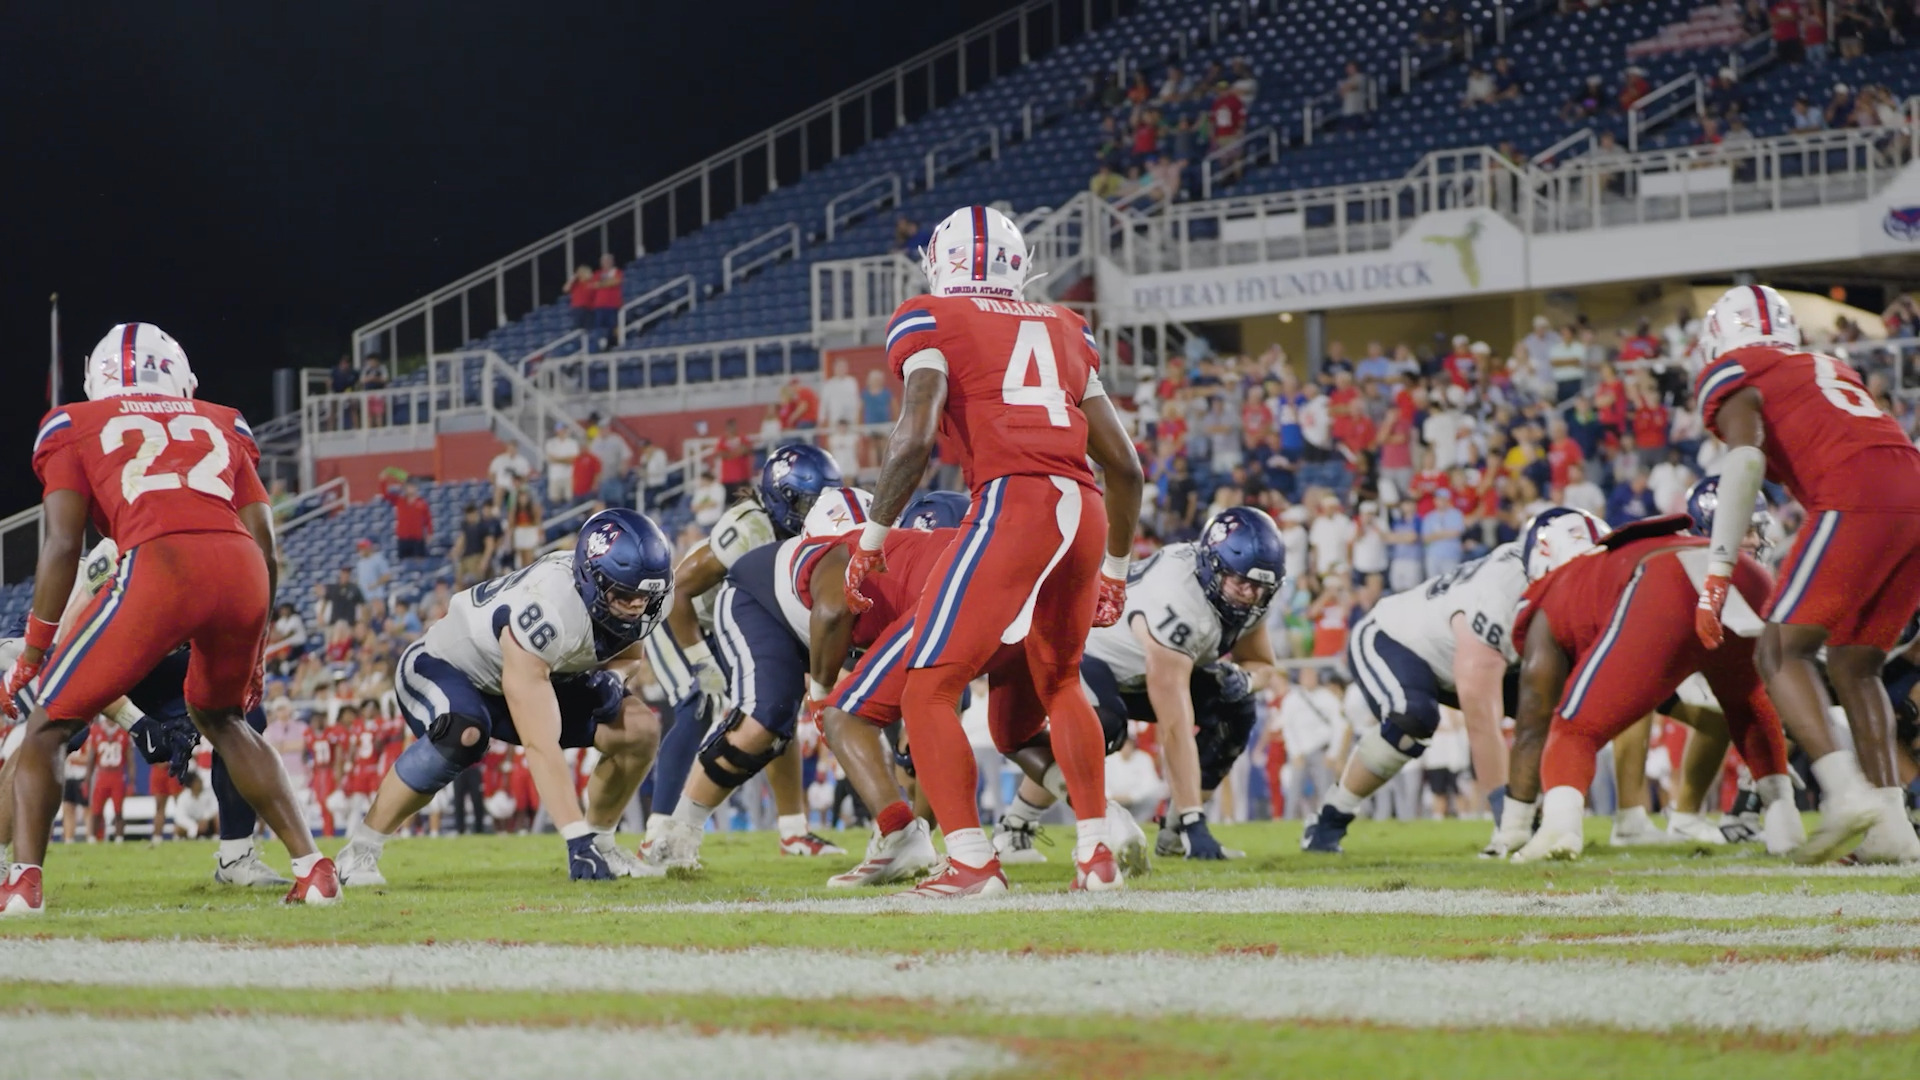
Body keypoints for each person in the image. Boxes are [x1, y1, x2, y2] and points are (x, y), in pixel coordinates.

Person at [842, 204, 1145, 897]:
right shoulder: (1066, 324)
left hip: (1014, 503)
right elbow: (1125, 466)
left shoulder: (929, 316)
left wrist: (874, 538)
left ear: (941, 263)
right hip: (1085, 509)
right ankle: (1096, 855)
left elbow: (915, 437)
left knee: (928, 687)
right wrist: (1118, 572)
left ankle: (974, 863)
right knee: (1061, 683)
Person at [1, 323, 334, 916]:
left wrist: (31, 653)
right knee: (225, 719)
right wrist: (256, 652)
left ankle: (23, 884)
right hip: (241, 567)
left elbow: (59, 548)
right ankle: (314, 869)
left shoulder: (73, 424)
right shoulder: (220, 419)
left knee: (48, 725)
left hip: (161, 563)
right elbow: (267, 543)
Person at [1691, 283, 1920, 863]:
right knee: (1855, 663)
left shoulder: (1737, 371)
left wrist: (1717, 574)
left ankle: (1844, 794)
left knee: (1779, 650)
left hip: (1855, 492)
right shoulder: (1825, 364)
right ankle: (1892, 828)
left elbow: (1745, 459)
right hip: (1911, 488)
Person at [333, 509, 672, 886]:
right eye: (624, 594)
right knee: (464, 732)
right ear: (591, 579)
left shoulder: (647, 593)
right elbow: (540, 744)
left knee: (639, 728)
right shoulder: (548, 608)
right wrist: (574, 838)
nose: (636, 606)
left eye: (645, 595)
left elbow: (629, 654)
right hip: (446, 666)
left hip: (532, 675)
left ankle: (604, 843)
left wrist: (614, 676)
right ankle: (361, 849)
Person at [1303, 508, 1606, 856]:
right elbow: (1482, 724)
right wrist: (1507, 820)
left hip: (1471, 653)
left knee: (1560, 709)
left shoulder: (1539, 582)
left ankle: (1575, 818)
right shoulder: (1496, 599)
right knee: (1413, 718)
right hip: (1394, 637)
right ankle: (1330, 819)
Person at [1500, 515, 1800, 862]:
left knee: (1571, 728)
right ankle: (1785, 825)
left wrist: (1513, 826)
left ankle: (1559, 829)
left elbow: (1535, 714)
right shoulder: (1614, 559)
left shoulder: (1555, 587)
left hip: (1663, 584)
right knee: (1747, 705)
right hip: (1741, 571)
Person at [993, 507, 1285, 864]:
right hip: (1091, 653)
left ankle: (1174, 829)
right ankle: (1015, 826)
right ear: (1213, 565)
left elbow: (1265, 667)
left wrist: (1246, 680)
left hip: (1142, 670)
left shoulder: (1246, 596)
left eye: (1261, 586)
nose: (1250, 594)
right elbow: (1174, 727)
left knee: (1235, 707)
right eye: (1242, 582)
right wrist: (1199, 821)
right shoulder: (1179, 600)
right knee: (1102, 728)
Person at [638, 445, 853, 866]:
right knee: (700, 703)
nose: (816, 512)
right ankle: (659, 833)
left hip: (738, 625)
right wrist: (700, 660)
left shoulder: (807, 532)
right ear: (782, 497)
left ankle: (793, 831)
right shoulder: (749, 527)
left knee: (778, 710)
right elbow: (677, 590)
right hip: (684, 620)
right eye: (808, 503)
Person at [380, 473, 433, 559]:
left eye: (413, 486)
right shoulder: (399, 501)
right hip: (403, 539)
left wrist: (430, 533)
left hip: (417, 539)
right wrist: (383, 481)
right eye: (409, 486)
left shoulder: (422, 503)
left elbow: (428, 520)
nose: (411, 488)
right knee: (404, 564)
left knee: (419, 562)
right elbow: (385, 495)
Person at [451, 504, 500, 588]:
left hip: (477, 557)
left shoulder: (483, 525)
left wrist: (484, 561)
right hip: (465, 557)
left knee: (476, 583)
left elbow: (489, 545)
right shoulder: (465, 525)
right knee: (459, 581)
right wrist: (455, 551)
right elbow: (462, 539)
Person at [591, 253, 623, 351]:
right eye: (604, 261)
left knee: (613, 326)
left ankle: (614, 344)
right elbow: (593, 285)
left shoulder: (616, 271)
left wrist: (601, 284)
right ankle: (601, 344)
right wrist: (607, 283)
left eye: (608, 261)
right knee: (599, 327)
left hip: (613, 304)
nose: (606, 263)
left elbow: (616, 281)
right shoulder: (597, 273)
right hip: (599, 305)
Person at [544, 422, 580, 506]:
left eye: (562, 429)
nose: (560, 431)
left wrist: (558, 459)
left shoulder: (572, 443)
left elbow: (573, 460)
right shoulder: (550, 443)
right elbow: (550, 459)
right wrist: (565, 459)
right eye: (558, 429)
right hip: (554, 476)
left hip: (568, 475)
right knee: (554, 500)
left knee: (569, 499)